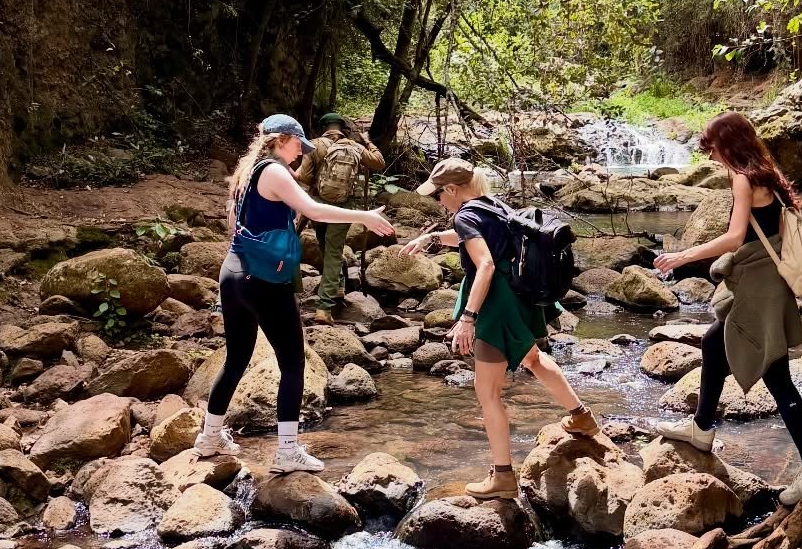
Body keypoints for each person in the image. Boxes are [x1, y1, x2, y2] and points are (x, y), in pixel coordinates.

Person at [194, 114, 396, 473]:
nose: (300, 154)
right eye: (298, 147)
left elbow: (234, 225)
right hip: (263, 280)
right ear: (283, 139)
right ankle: (287, 452)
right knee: (292, 362)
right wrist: (362, 216)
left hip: (234, 273)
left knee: (237, 358)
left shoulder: (247, 172)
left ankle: (210, 437)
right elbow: (312, 210)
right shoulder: (273, 171)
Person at [653, 112, 802, 507]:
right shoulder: (765, 171)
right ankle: (701, 428)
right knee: (714, 343)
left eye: (713, 148)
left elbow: (735, 237)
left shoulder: (742, 178)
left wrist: (683, 256)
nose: (712, 156)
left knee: (776, 374)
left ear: (727, 144)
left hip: (762, 287)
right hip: (768, 280)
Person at [404, 158, 599, 500]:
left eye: (439, 194)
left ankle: (503, 477)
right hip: (520, 296)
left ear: (451, 189)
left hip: (496, 305)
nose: (438, 200)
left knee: (486, 391)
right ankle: (581, 416)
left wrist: (467, 318)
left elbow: (485, 264)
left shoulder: (464, 213)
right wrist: (433, 238)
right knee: (534, 359)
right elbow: (474, 237)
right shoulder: (491, 205)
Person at [299, 112, 386, 312]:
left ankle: (333, 291)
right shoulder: (354, 146)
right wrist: (368, 142)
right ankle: (326, 304)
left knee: (323, 244)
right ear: (342, 128)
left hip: (318, 206)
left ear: (323, 127)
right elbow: (379, 162)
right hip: (343, 208)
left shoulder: (314, 145)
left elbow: (304, 176)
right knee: (334, 252)